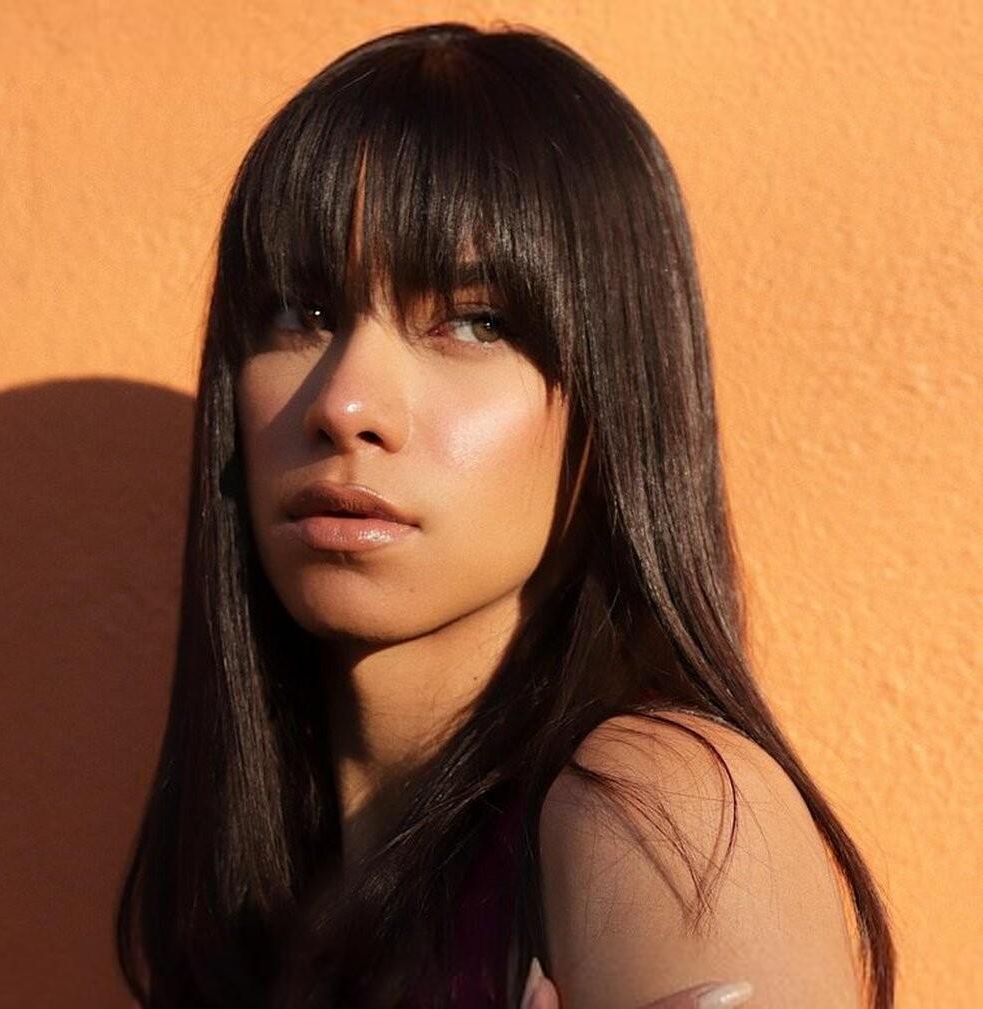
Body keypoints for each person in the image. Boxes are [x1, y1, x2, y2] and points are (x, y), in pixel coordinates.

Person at [115, 21, 895, 1009]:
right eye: (299, 314)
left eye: (474, 321)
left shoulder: (657, 810)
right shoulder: (264, 904)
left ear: (611, 409)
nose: (345, 404)